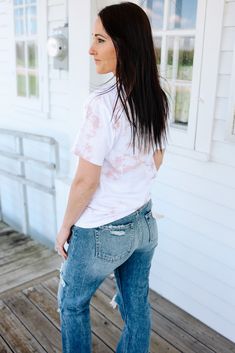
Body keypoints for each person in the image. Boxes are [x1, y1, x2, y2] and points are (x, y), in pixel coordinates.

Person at [55, 2, 169, 352]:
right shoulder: (156, 97)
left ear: (125, 44)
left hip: (103, 229)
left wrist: (65, 227)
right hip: (144, 223)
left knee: (72, 304)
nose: (91, 49)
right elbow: (157, 159)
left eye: (100, 39)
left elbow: (85, 182)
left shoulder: (101, 103)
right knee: (137, 310)